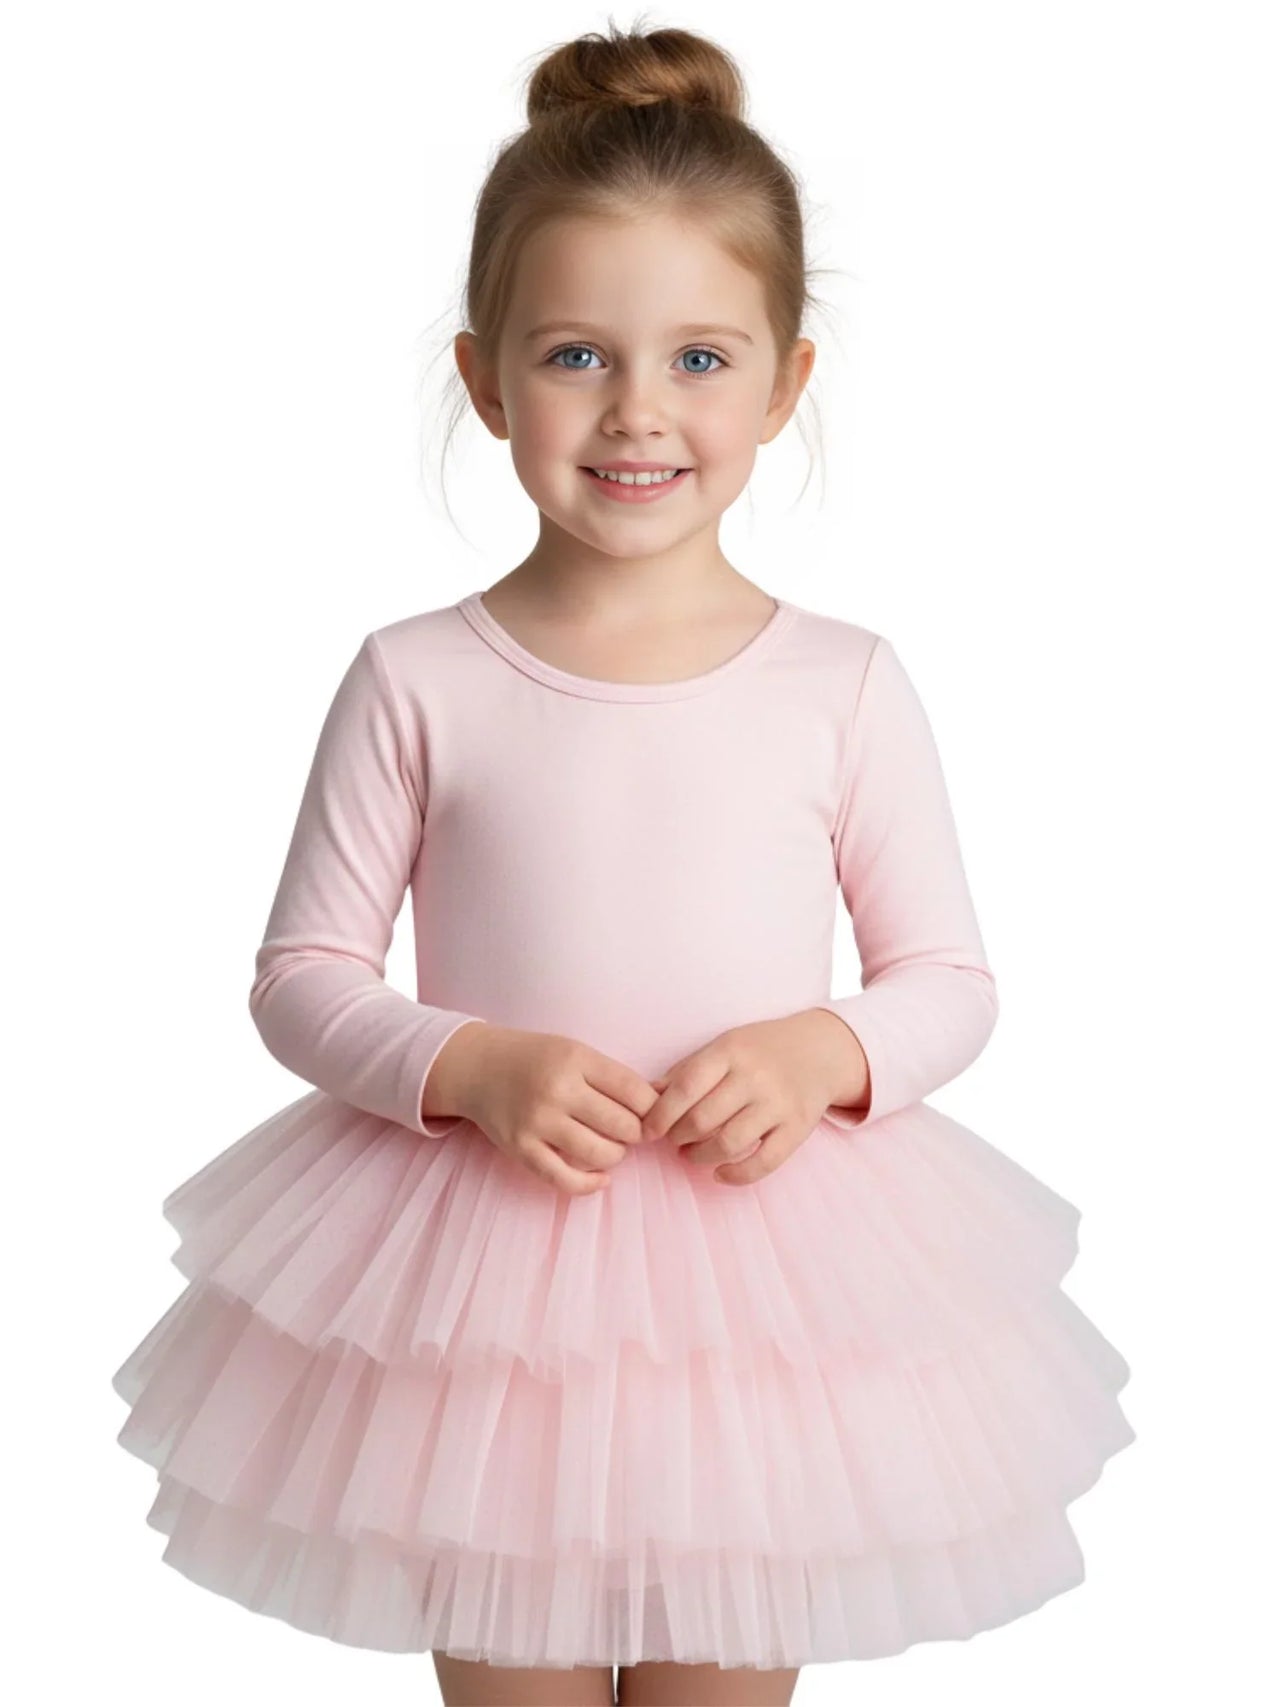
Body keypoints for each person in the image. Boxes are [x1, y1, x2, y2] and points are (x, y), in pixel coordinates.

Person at [109, 20, 1136, 1707]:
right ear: (485, 376)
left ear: (789, 380)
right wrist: (468, 1064)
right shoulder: (418, 676)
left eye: (702, 361)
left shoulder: (844, 682)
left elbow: (949, 980)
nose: (639, 412)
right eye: (578, 356)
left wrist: (830, 1052)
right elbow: (301, 979)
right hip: (485, 1301)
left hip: (768, 1298)